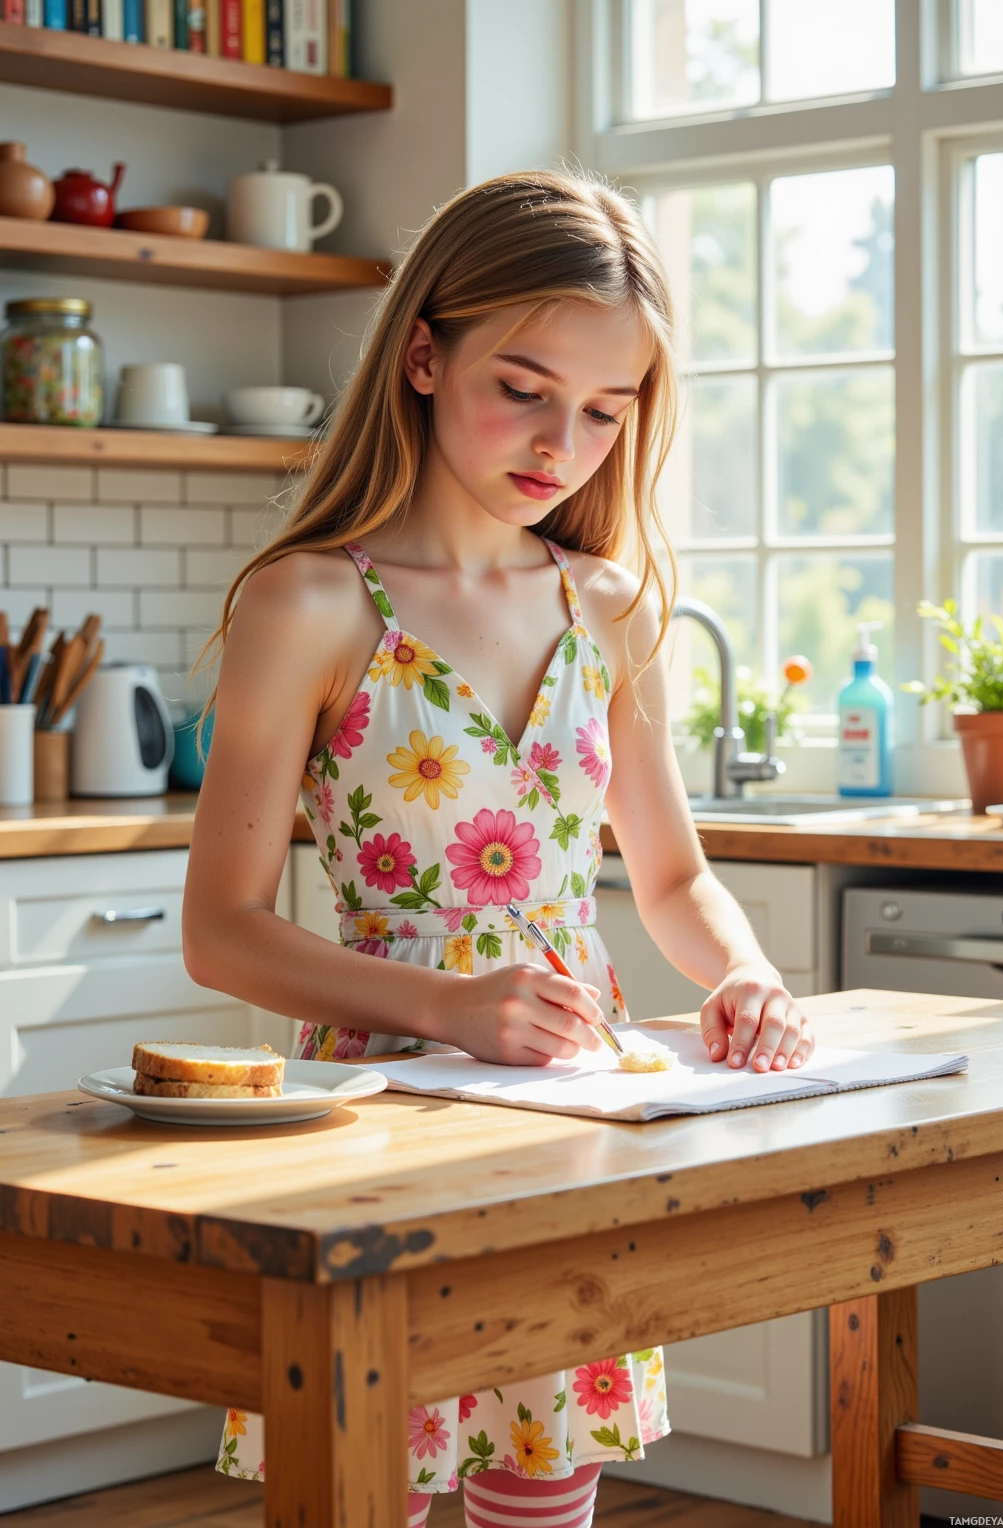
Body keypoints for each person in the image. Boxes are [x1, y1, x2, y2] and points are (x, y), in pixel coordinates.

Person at [183, 168, 814, 1528]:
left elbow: (672, 877)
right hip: (382, 1111)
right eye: (522, 387)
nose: (559, 440)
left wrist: (744, 974)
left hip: (572, 1106)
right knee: (375, 1476)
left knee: (548, 1474)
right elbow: (220, 927)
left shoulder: (611, 605)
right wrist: (446, 1005)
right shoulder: (311, 602)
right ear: (424, 352)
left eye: (604, 410)